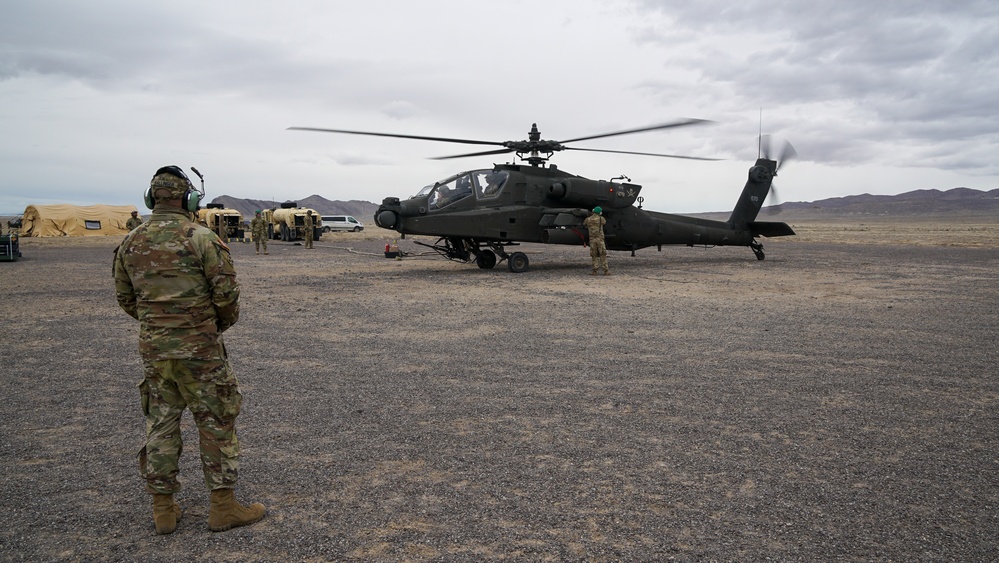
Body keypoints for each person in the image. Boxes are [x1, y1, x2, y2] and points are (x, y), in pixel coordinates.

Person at [113, 165, 265, 534]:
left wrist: (159, 325)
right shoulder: (201, 238)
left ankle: (163, 511)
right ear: (189, 199)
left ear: (152, 199)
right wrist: (209, 327)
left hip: (155, 350)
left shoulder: (131, 242)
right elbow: (226, 296)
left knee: (161, 423)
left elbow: (125, 298)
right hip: (200, 349)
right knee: (216, 422)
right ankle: (222, 507)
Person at [583, 205, 610, 275]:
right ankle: (606, 271)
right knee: (603, 254)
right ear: (600, 212)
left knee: (594, 255)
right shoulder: (601, 219)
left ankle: (595, 270)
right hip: (600, 239)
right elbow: (604, 223)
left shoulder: (588, 219)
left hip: (592, 239)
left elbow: (584, 224)